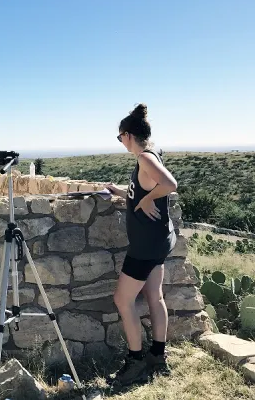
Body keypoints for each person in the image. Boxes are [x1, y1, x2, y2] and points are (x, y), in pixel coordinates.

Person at [106, 104, 178, 385]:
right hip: (160, 241)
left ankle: (135, 361)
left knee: (122, 300)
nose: (121, 142)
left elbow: (169, 184)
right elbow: (145, 188)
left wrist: (147, 201)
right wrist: (124, 192)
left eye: (119, 137)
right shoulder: (153, 152)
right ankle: (158, 356)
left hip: (145, 247)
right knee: (154, 296)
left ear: (127, 135)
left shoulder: (145, 158)